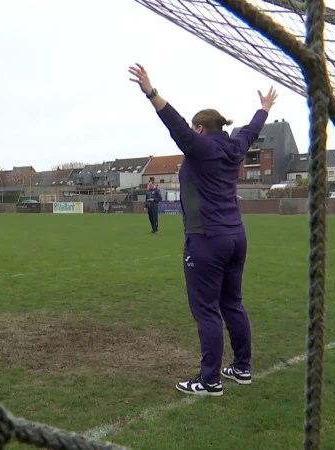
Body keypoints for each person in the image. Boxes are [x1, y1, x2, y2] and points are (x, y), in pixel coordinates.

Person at [129, 63, 276, 397]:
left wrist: (151, 92)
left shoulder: (200, 146)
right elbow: (251, 131)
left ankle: (210, 380)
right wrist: (263, 109)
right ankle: (241, 367)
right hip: (236, 236)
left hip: (207, 239)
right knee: (232, 303)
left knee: (206, 310)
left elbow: (175, 124)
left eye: (193, 130)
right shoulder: (234, 147)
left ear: (200, 128)